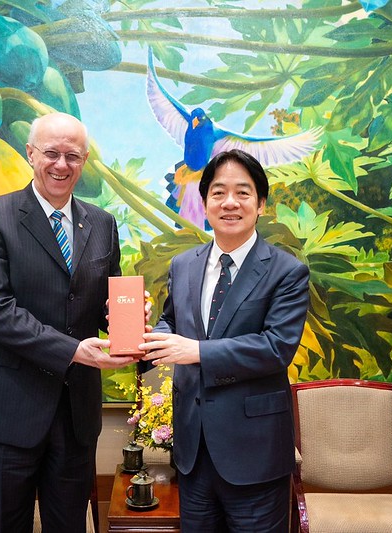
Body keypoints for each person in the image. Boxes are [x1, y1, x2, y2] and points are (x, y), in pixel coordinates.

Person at [0, 112, 137, 532]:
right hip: (9, 405)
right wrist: (73, 350)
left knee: (69, 525)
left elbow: (98, 307)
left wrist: (126, 317)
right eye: (51, 154)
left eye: (72, 156)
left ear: (85, 159)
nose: (61, 165)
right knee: (5, 525)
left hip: (75, 413)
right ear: (30, 154)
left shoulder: (102, 224)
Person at [139, 149, 310, 532]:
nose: (229, 202)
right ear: (204, 203)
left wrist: (196, 352)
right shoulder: (183, 265)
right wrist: (142, 337)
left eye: (242, 192)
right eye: (218, 193)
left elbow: (276, 348)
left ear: (261, 204)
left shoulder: (287, 271)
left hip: (255, 454)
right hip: (193, 451)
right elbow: (171, 323)